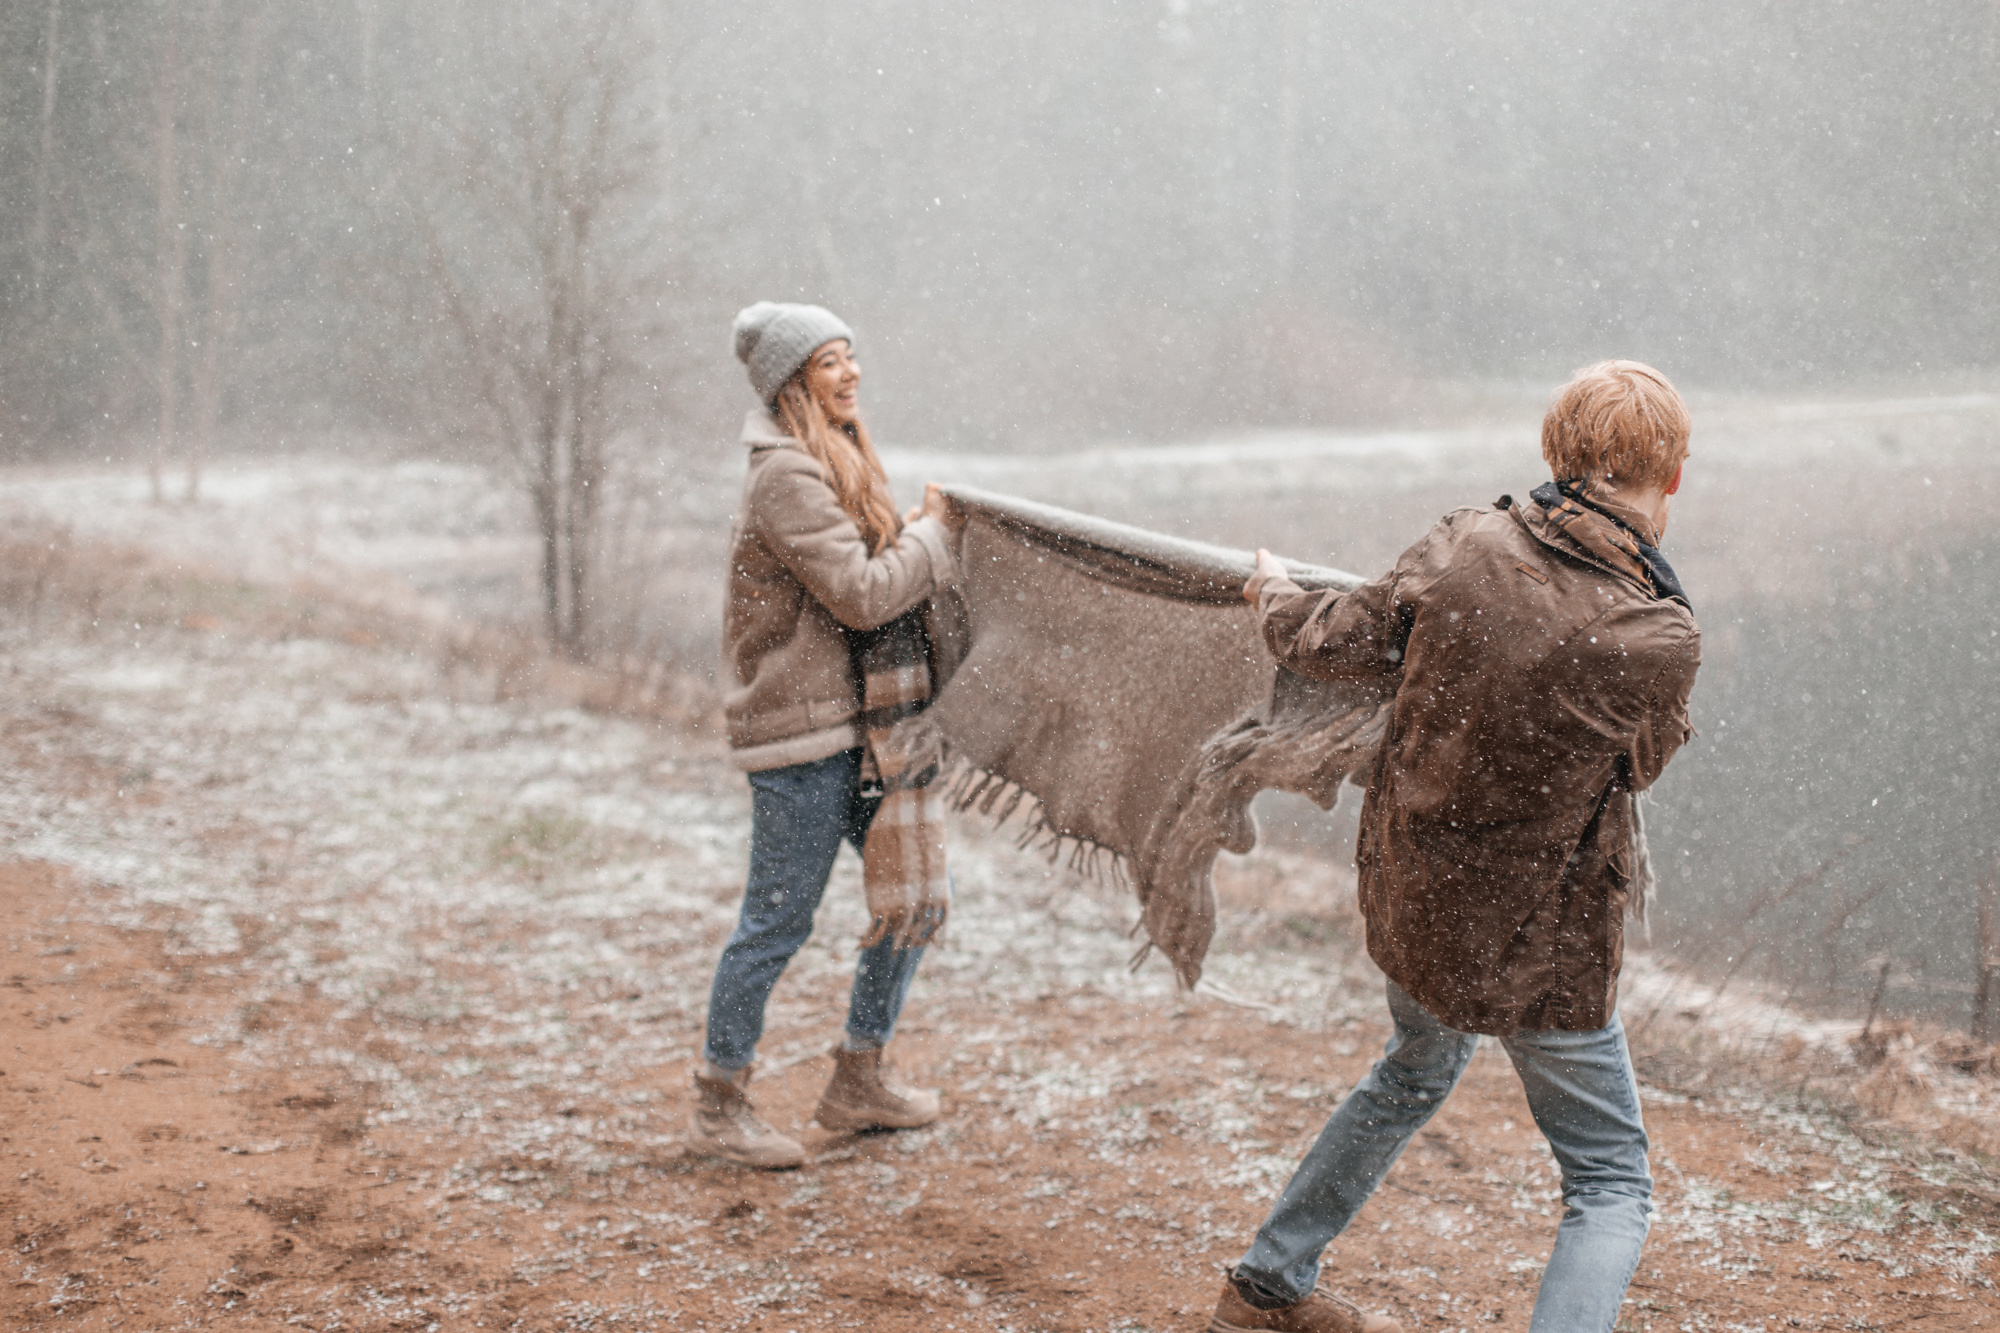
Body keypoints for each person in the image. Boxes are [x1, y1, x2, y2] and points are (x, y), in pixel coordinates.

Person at [1209, 361, 1701, 1333]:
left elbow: (1327, 640)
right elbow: (1638, 766)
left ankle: (1265, 1286)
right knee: (1607, 1181)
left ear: (1557, 453)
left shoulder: (1466, 543)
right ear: (1673, 477)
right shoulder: (1656, 631)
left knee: (1409, 1069)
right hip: (1539, 946)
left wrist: (1270, 591)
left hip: (1416, 896)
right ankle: (1267, 1285)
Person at [691, 301, 961, 1170]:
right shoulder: (784, 475)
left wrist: (922, 536)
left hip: (861, 728)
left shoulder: (834, 457)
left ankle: (860, 1075)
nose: (850, 374)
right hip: (801, 737)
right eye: (829, 362)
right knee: (776, 921)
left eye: (852, 357)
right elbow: (863, 593)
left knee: (909, 899)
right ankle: (719, 1100)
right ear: (791, 382)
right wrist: (935, 536)